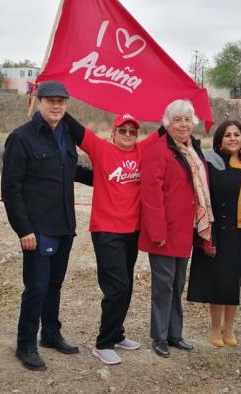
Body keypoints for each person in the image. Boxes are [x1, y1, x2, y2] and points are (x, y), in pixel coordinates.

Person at [1, 81, 93, 371]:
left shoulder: (66, 134)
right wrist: (23, 230)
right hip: (37, 229)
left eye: (61, 101)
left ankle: (50, 334)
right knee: (36, 287)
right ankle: (25, 344)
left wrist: (106, 177)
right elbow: (10, 188)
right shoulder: (21, 138)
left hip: (64, 224)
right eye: (50, 100)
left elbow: (70, 170)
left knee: (54, 285)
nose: (56, 106)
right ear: (38, 102)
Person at [61, 111, 162, 365]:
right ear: (113, 133)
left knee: (126, 285)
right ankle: (103, 343)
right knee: (116, 287)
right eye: (123, 130)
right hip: (107, 230)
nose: (128, 135)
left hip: (132, 231)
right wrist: (54, 101)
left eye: (132, 131)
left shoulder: (142, 150)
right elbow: (75, 128)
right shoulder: (101, 149)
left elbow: (166, 128)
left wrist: (187, 105)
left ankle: (117, 334)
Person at [139, 99, 212, 358]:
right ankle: (159, 336)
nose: (183, 124)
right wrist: (157, 232)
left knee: (178, 284)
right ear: (167, 123)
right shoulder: (159, 151)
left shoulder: (192, 150)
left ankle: (174, 334)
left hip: (185, 231)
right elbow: (151, 195)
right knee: (163, 286)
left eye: (187, 119)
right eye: (177, 119)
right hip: (164, 233)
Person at [187, 120, 241, 349]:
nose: (233, 138)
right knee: (219, 282)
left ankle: (230, 328)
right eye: (227, 135)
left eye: (237, 134)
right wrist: (209, 235)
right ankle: (215, 327)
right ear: (219, 140)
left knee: (234, 282)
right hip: (222, 229)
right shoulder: (211, 163)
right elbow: (206, 200)